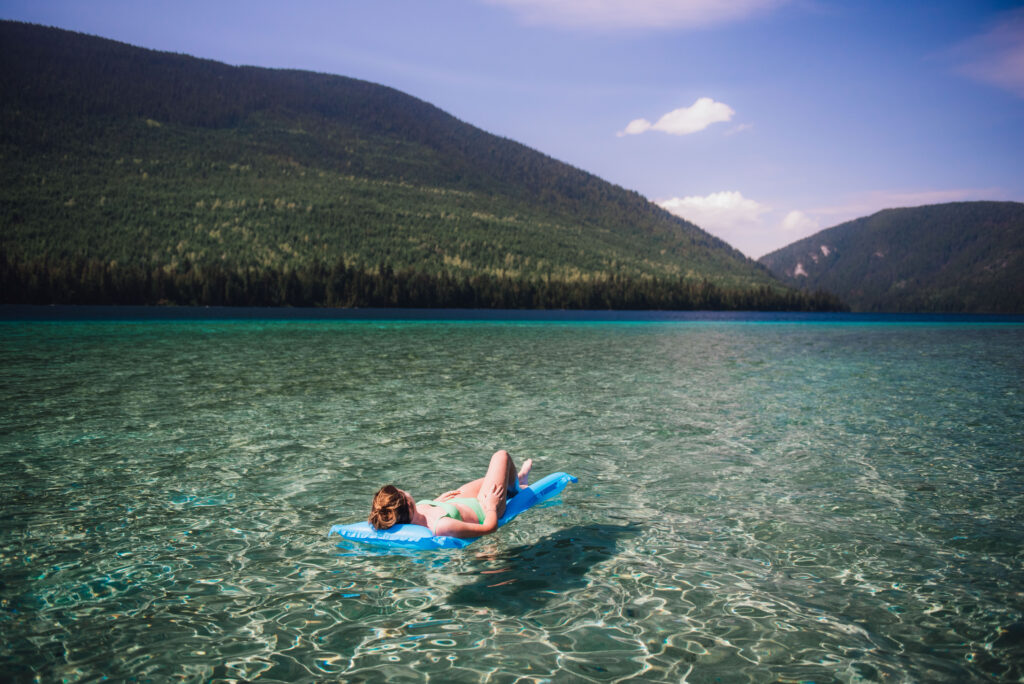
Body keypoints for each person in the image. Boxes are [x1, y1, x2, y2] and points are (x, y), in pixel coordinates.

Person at [369, 450, 532, 538]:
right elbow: (489, 528)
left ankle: (517, 479)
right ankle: (517, 489)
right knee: (501, 456)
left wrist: (437, 502)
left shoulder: (414, 513)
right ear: (408, 503)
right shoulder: (442, 526)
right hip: (483, 506)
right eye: (400, 491)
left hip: (459, 502)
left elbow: (425, 512)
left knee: (495, 474)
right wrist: (491, 506)